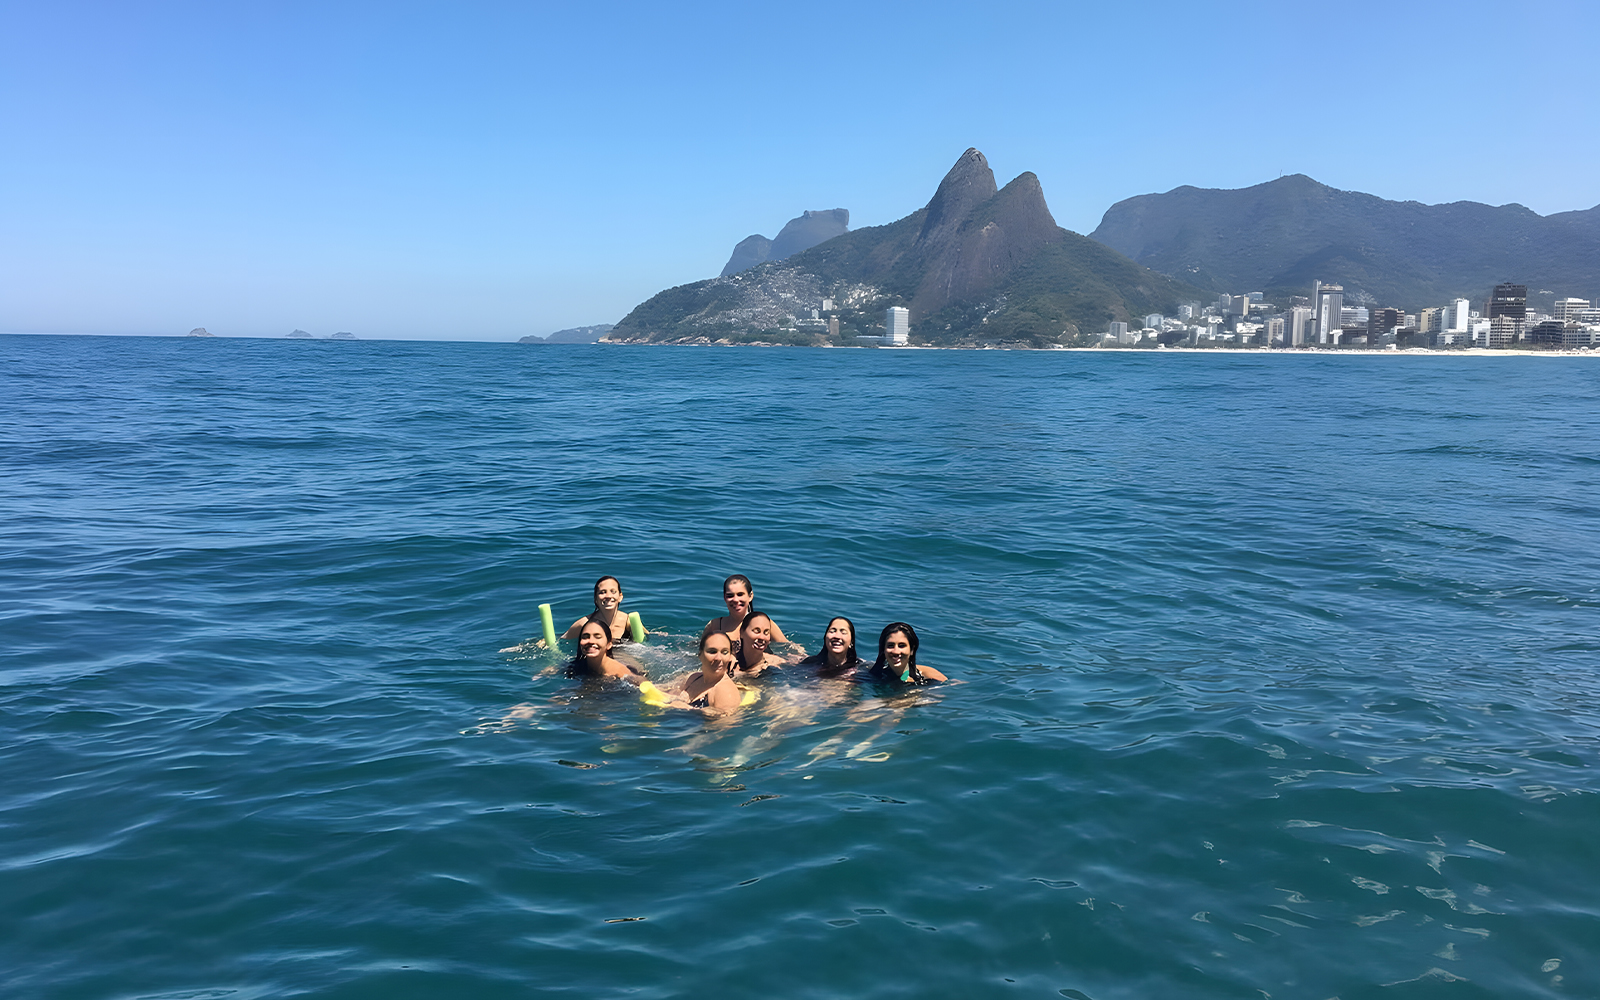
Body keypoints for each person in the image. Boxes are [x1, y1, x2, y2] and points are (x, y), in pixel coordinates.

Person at [703, 574, 790, 648]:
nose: (736, 599)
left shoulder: (765, 623)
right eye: (730, 595)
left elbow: (787, 647)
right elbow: (700, 650)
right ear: (724, 598)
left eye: (740, 594)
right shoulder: (715, 625)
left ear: (750, 596)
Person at [676, 631, 743, 712]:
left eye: (725, 652)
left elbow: (726, 723)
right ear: (700, 655)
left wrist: (686, 708)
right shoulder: (693, 678)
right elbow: (669, 692)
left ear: (730, 656)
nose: (718, 658)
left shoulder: (726, 693)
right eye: (712, 652)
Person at [566, 617, 644, 682]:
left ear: (609, 644)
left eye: (597, 637)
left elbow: (644, 684)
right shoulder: (576, 666)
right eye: (585, 637)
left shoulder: (620, 672)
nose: (591, 641)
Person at [869, 622, 947, 684]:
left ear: (912, 650)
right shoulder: (875, 674)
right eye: (890, 646)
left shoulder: (928, 675)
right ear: (883, 649)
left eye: (902, 645)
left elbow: (950, 688)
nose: (896, 651)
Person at [561, 576, 630, 641]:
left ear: (620, 597)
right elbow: (561, 642)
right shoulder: (584, 623)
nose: (608, 596)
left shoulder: (628, 622)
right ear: (596, 599)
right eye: (602, 592)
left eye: (613, 591)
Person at [797, 617, 863, 677]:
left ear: (851, 642)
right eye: (832, 631)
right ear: (825, 638)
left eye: (843, 632)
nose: (837, 636)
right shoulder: (810, 663)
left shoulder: (860, 668)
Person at [732, 611, 784, 678]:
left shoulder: (774, 664)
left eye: (766, 632)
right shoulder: (729, 658)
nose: (762, 637)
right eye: (756, 631)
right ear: (742, 632)